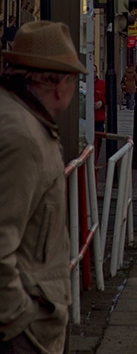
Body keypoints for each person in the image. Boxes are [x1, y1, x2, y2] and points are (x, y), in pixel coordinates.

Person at [0, 19, 87, 354]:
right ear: (58, 84)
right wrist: (20, 321)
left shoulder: (24, 120)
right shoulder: (22, 136)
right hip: (24, 331)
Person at [93, 65, 106, 160]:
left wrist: (101, 102)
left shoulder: (102, 84)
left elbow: (108, 96)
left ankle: (95, 161)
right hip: (85, 119)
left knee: (98, 141)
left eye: (94, 71)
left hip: (98, 117)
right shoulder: (82, 83)